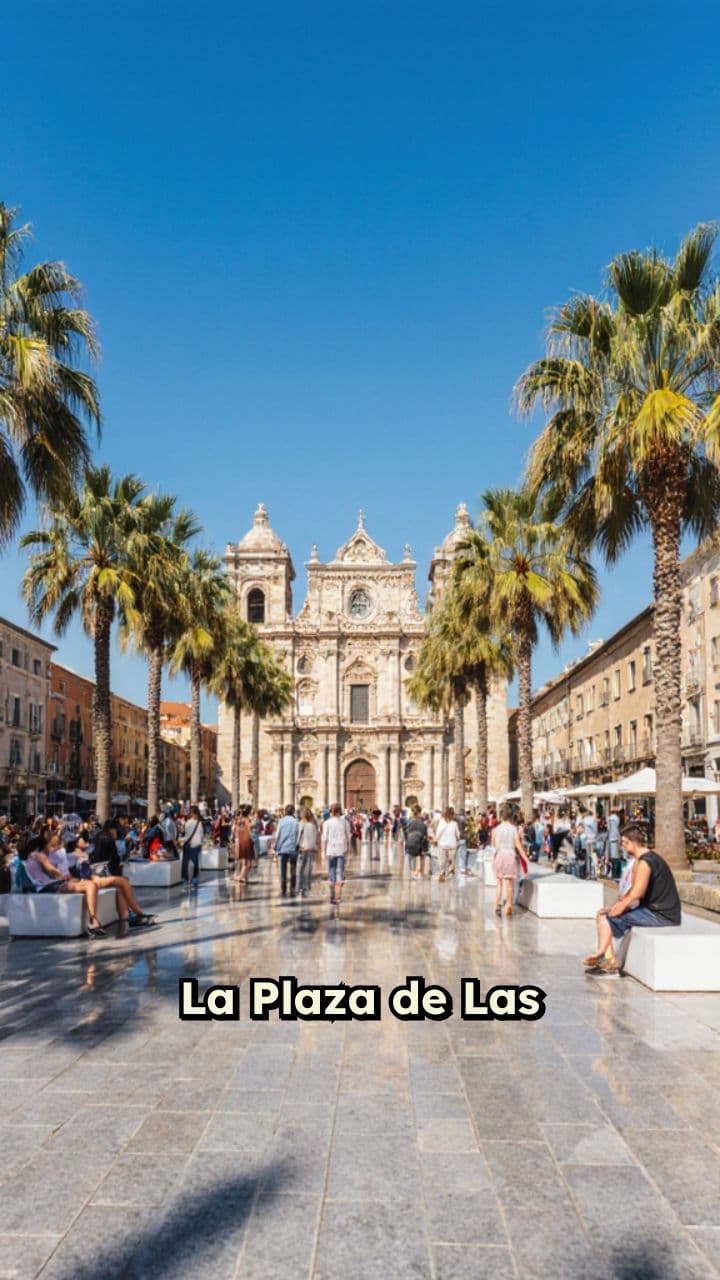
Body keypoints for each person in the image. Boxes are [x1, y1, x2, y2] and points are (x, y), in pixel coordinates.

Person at [584, 822, 682, 975]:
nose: (622, 846)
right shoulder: (646, 859)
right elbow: (634, 892)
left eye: (623, 842)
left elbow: (637, 893)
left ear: (630, 842)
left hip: (662, 916)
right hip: (658, 912)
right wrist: (618, 906)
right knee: (606, 914)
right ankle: (606, 957)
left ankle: (606, 959)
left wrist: (620, 908)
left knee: (611, 918)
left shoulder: (645, 862)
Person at [21, 831, 156, 935]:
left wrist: (76, 863)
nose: (56, 848)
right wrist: (64, 876)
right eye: (52, 845)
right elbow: (51, 870)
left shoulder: (42, 856)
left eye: (58, 845)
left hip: (61, 882)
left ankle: (134, 916)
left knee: (120, 883)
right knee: (99, 884)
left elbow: (56, 867)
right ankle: (95, 920)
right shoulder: (39, 855)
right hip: (54, 885)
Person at [492, 806, 526, 916]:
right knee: (510, 884)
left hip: (500, 856)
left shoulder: (496, 830)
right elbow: (518, 845)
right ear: (511, 816)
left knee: (499, 883)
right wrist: (525, 858)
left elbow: (495, 846)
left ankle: (497, 905)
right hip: (511, 856)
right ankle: (509, 905)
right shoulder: (513, 829)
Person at [322, 802, 349, 904]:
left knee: (331, 874)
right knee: (339, 874)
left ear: (330, 811)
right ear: (340, 811)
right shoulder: (345, 822)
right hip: (341, 850)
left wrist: (323, 852)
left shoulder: (326, 823)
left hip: (330, 851)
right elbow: (348, 837)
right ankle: (338, 897)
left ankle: (332, 896)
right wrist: (348, 849)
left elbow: (324, 839)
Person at [272, 804, 300, 897]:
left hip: (283, 848)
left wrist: (275, 846)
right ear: (293, 812)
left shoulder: (281, 821)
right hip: (293, 848)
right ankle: (292, 889)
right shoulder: (296, 822)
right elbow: (298, 834)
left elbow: (278, 834)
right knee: (293, 870)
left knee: (283, 870)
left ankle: (283, 889)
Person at [180, 804, 205, 884]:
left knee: (186, 861)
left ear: (191, 813)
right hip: (197, 844)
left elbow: (186, 834)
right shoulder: (199, 823)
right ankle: (194, 878)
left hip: (188, 843)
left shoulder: (187, 822)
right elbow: (201, 835)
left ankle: (185, 877)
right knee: (195, 862)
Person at [297, 806, 319, 896]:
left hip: (303, 848)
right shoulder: (313, 825)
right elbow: (316, 837)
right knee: (309, 868)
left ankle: (301, 886)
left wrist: (297, 845)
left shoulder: (301, 824)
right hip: (311, 848)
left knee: (301, 868)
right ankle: (307, 886)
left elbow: (298, 837)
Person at [435, 806, 460, 882]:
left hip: (442, 845)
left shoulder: (441, 822)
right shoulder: (454, 824)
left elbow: (438, 833)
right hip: (452, 845)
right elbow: (458, 835)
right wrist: (458, 839)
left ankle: (442, 873)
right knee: (451, 860)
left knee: (442, 861)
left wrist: (436, 840)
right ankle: (451, 869)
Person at [405, 805, 429, 879]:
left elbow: (406, 833)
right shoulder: (422, 823)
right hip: (418, 844)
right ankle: (418, 873)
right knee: (420, 857)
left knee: (411, 858)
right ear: (419, 813)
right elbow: (424, 835)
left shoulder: (409, 822)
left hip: (409, 843)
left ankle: (413, 874)